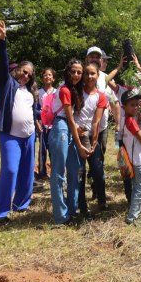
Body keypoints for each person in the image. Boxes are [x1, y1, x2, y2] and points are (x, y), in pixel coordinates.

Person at [0, 21, 39, 225]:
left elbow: (32, 111)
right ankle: (0, 212)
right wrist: (2, 42)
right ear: (17, 69)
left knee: (27, 171)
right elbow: (3, 63)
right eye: (23, 71)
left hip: (29, 136)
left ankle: (21, 204)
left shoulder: (29, 92)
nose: (26, 75)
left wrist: (38, 123)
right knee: (10, 170)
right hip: (10, 135)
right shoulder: (7, 83)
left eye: (29, 74)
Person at [49, 59, 88, 225]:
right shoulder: (64, 89)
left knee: (74, 170)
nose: (76, 75)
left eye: (79, 72)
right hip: (61, 129)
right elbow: (69, 119)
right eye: (73, 71)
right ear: (67, 72)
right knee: (58, 173)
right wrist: (79, 144)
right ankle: (61, 216)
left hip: (69, 129)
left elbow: (72, 119)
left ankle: (72, 210)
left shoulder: (74, 91)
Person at [74, 63, 108, 217]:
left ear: (98, 75)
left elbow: (96, 121)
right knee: (80, 171)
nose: (89, 77)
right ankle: (81, 204)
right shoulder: (76, 92)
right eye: (86, 73)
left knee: (98, 169)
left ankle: (102, 201)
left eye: (92, 73)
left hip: (92, 135)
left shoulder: (100, 96)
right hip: (77, 135)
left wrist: (94, 141)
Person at [121, 89, 141, 226]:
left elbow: (119, 140)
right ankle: (132, 217)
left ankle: (135, 214)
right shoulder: (131, 122)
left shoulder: (123, 119)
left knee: (136, 187)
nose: (135, 107)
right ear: (124, 107)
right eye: (132, 105)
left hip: (130, 158)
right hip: (138, 159)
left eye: (136, 104)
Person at [37, 68, 56, 180]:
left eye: (50, 75)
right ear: (42, 78)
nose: (47, 77)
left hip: (54, 125)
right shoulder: (38, 93)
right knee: (42, 147)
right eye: (45, 75)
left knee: (53, 148)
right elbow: (36, 109)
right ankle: (42, 172)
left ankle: (55, 169)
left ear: (53, 78)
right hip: (42, 124)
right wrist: (37, 123)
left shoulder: (56, 92)